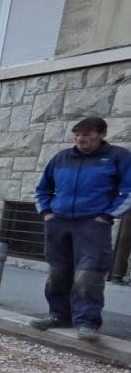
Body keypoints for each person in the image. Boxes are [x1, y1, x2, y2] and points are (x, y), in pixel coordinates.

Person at [30, 117, 131, 341]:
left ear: (102, 134)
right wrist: (47, 213)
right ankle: (58, 315)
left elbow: (129, 190)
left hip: (93, 225)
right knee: (57, 273)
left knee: (88, 276)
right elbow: (42, 189)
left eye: (87, 135)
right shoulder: (62, 158)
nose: (81, 139)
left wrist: (107, 216)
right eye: (77, 135)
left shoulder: (118, 157)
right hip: (59, 223)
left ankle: (87, 323)